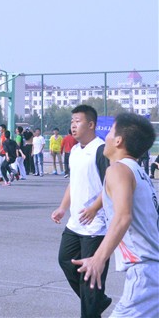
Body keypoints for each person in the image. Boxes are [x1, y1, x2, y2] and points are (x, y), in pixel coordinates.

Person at [72, 113, 158, 317]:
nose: (106, 136)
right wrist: (94, 207)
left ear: (118, 140)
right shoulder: (139, 173)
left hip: (144, 273)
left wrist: (98, 258)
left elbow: (123, 217)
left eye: (110, 131)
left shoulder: (117, 170)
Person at [51, 105, 112, 318]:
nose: (73, 126)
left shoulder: (101, 150)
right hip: (75, 223)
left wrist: (95, 208)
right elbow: (73, 182)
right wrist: (62, 207)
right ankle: (97, 301)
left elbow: (111, 185)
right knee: (65, 260)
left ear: (91, 124)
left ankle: (92, 307)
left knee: (91, 279)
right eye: (72, 122)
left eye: (78, 121)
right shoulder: (76, 150)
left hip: (96, 225)